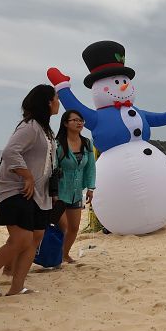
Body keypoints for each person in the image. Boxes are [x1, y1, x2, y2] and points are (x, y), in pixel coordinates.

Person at [0, 84, 59, 297]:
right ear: (47, 102)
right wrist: (27, 176)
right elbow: (10, 151)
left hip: (39, 195)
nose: (58, 102)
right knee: (21, 240)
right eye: (56, 98)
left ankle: (17, 287)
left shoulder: (45, 130)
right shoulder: (30, 126)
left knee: (35, 238)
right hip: (17, 190)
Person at [54, 110, 96, 263]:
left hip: (76, 192)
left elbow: (91, 167)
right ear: (65, 123)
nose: (80, 123)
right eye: (75, 120)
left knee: (73, 228)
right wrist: (53, 194)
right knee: (62, 227)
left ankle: (64, 255)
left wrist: (91, 188)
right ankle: (54, 255)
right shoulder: (57, 143)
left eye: (81, 120)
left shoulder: (86, 143)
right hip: (59, 193)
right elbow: (52, 169)